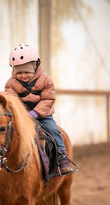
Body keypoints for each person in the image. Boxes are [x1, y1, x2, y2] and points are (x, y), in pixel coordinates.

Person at [5, 43, 75, 175]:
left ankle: (62, 158)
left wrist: (35, 113)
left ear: (35, 67)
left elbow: (48, 99)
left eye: (26, 72)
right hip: (21, 116)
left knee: (54, 131)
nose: (23, 76)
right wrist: (22, 114)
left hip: (43, 115)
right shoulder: (10, 84)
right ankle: (2, 159)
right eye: (19, 72)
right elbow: (12, 101)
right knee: (5, 133)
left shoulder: (46, 80)